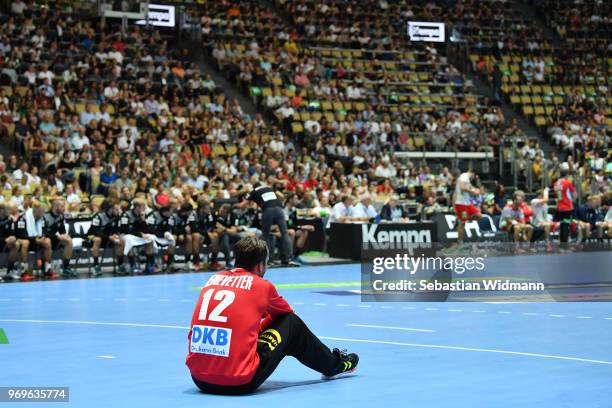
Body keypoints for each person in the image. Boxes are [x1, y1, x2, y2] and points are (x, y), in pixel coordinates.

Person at [186, 237, 359, 395]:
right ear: (260, 265)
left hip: (200, 379)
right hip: (238, 381)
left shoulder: (213, 279)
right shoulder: (261, 286)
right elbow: (286, 315)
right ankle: (334, 365)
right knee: (292, 323)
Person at [238, 184, 297, 266]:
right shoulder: (269, 187)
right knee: (285, 234)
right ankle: (288, 259)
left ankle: (268, 261)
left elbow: (242, 205)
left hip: (268, 210)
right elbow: (282, 196)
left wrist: (233, 206)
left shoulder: (253, 191)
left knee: (265, 235)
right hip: (279, 209)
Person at [88, 199, 124, 276]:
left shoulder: (116, 217)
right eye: (116, 209)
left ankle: (120, 265)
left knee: (120, 241)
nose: (119, 211)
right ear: (110, 209)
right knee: (98, 239)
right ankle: (96, 266)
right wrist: (109, 237)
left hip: (107, 238)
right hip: (93, 237)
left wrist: (115, 235)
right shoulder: (98, 217)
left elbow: (116, 230)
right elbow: (95, 231)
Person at [43, 198, 76, 277]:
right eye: (62, 206)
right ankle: (48, 269)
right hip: (45, 239)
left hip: (55, 239)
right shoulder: (45, 217)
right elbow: (44, 233)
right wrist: (57, 237)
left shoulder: (60, 217)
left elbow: (63, 232)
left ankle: (66, 267)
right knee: (48, 241)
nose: (64, 208)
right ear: (56, 207)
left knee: (68, 240)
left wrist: (65, 236)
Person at [453, 169, 483, 243]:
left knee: (479, 216)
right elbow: (462, 188)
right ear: (473, 174)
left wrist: (476, 191)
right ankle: (460, 242)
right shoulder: (464, 176)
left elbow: (469, 188)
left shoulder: (467, 180)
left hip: (468, 204)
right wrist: (473, 191)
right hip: (461, 204)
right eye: (475, 177)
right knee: (463, 223)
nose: (474, 178)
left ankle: (463, 218)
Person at [554, 163, 576, 245]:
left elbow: (559, 197)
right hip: (567, 208)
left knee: (562, 224)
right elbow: (575, 195)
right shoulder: (568, 183)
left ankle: (562, 244)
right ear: (566, 174)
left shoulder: (556, 183)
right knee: (566, 225)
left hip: (560, 208)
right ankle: (565, 245)